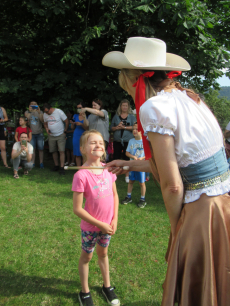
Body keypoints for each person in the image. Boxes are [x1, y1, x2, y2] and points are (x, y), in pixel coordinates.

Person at [102, 37, 230, 305]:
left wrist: (176, 230)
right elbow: (184, 162)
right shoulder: (189, 97)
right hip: (224, 202)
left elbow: (172, 184)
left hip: (204, 211)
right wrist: (128, 163)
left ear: (133, 77)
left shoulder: (155, 108)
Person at [72, 130, 120, 306]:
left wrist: (114, 220)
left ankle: (107, 286)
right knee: (87, 257)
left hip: (107, 226)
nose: (98, 145)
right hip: (91, 228)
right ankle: (84, 291)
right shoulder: (81, 175)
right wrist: (100, 224)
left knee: (103, 253)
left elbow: (115, 196)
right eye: (92, 142)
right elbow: (77, 209)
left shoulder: (108, 169)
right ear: (83, 148)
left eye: (100, 142)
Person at [121, 122, 147, 208]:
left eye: (137, 129)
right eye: (133, 129)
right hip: (132, 165)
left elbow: (148, 155)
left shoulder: (145, 141)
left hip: (141, 166)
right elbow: (127, 153)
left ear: (141, 131)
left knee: (141, 183)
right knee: (131, 181)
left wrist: (141, 158)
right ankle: (128, 197)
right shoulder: (131, 141)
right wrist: (133, 156)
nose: (134, 131)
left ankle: (142, 199)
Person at [110, 99, 136, 183]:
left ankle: (127, 176)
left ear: (128, 107)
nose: (124, 107)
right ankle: (114, 175)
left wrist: (124, 128)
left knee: (126, 157)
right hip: (117, 140)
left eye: (126, 106)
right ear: (120, 107)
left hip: (127, 140)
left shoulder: (132, 117)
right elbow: (111, 128)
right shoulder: (116, 116)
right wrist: (118, 127)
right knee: (116, 157)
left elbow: (135, 127)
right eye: (123, 105)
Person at [43, 103, 68, 175]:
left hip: (60, 134)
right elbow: (45, 123)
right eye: (45, 112)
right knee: (53, 151)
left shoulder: (59, 112)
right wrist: (46, 129)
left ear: (50, 108)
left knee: (61, 151)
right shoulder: (45, 114)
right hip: (51, 135)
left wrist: (65, 131)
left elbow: (66, 121)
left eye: (47, 111)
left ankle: (62, 167)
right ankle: (56, 165)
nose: (47, 113)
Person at [25, 101, 44, 169]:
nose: (33, 105)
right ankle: (33, 163)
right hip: (31, 133)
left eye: (34, 104)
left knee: (41, 149)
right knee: (33, 149)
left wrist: (39, 112)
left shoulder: (40, 112)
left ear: (37, 105)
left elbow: (42, 120)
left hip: (39, 133)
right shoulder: (27, 112)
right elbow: (27, 120)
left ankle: (41, 163)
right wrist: (30, 112)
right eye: (31, 104)